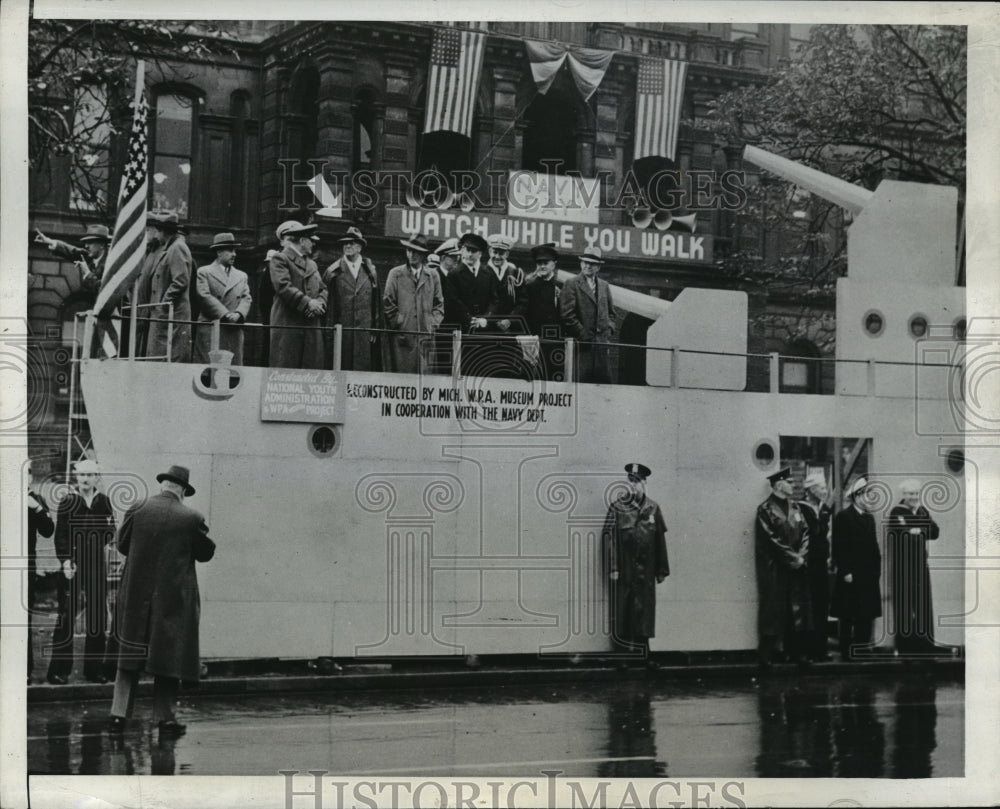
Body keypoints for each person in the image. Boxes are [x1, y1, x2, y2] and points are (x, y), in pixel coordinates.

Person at [108, 465, 215, 736]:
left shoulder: (138, 507)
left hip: (134, 596)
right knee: (167, 656)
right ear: (182, 490)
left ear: (164, 485)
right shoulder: (191, 518)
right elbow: (205, 554)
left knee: (128, 656)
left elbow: (122, 545)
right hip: (171, 599)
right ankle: (164, 719)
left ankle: (119, 716)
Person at [46, 459, 116, 685]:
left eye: (90, 475)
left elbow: (111, 529)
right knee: (66, 616)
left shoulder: (103, 502)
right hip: (72, 566)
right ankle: (58, 671)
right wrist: (66, 561)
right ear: (76, 477)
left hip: (96, 564)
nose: (85, 479)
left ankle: (94, 670)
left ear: (97, 477)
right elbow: (61, 535)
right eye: (82, 475)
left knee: (97, 616)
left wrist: (97, 541)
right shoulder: (68, 501)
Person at [604, 463, 669, 666]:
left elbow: (660, 540)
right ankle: (622, 656)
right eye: (630, 481)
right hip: (625, 570)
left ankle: (645, 655)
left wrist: (661, 569)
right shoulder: (618, 508)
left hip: (646, 571)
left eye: (637, 482)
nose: (633, 486)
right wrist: (613, 566)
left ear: (644, 483)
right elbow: (609, 538)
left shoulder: (653, 508)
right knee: (624, 611)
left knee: (645, 612)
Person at [754, 467, 812, 670]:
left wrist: (802, 556)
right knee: (773, 609)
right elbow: (771, 540)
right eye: (788, 481)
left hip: (795, 567)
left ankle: (797, 653)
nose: (792, 484)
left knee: (796, 610)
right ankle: (766, 654)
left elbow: (805, 532)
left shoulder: (795, 507)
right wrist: (793, 557)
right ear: (779, 485)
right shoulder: (765, 509)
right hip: (775, 568)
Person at [887, 479, 946, 655]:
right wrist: (920, 530)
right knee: (905, 607)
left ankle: (926, 646)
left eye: (916, 494)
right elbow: (903, 534)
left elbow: (935, 531)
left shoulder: (922, 510)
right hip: (903, 568)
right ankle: (905, 647)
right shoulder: (897, 512)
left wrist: (918, 530)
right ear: (904, 495)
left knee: (923, 606)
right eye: (910, 494)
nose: (913, 497)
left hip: (920, 566)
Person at [831, 476, 882, 661]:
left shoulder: (869, 518)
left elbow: (874, 547)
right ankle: (846, 650)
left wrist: (877, 571)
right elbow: (839, 546)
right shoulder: (844, 517)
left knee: (866, 613)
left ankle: (861, 648)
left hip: (868, 574)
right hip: (851, 574)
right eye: (866, 494)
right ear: (857, 496)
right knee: (848, 614)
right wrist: (845, 571)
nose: (869, 498)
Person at [268, 221, 327, 369]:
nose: (313, 244)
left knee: (311, 373)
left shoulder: (312, 264)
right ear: (302, 241)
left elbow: (323, 289)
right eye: (310, 240)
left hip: (311, 326)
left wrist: (320, 303)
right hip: (289, 326)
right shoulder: (280, 258)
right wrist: (308, 303)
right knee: (286, 373)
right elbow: (283, 287)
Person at [323, 226, 382, 371]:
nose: (348, 245)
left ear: (360, 247)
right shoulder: (333, 272)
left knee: (363, 374)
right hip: (342, 335)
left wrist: (375, 329)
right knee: (341, 370)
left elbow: (376, 303)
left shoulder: (370, 272)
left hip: (365, 335)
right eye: (345, 243)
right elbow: (327, 308)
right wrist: (330, 334)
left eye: (353, 242)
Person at [383, 233, 444, 374]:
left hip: (425, 336)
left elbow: (439, 304)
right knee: (402, 378)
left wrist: (432, 323)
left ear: (423, 254)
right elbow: (388, 302)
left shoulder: (432, 275)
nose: (412, 255)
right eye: (409, 250)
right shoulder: (395, 274)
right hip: (403, 337)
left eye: (416, 251)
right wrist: (399, 321)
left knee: (425, 380)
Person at [193, 232, 252, 365]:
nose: (234, 254)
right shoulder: (204, 272)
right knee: (209, 372)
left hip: (233, 329)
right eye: (230, 250)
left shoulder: (241, 276)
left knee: (232, 372)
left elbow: (246, 297)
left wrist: (239, 313)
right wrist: (225, 314)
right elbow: (204, 296)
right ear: (219, 252)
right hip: (212, 327)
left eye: (235, 250)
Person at [142, 212, 193, 362]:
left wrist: (164, 303)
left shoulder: (177, 248)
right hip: (165, 313)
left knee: (170, 354)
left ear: (165, 232)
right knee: (160, 355)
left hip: (172, 314)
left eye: (158, 231)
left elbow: (181, 280)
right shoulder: (170, 248)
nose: (156, 236)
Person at [559, 246, 615, 384]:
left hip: (601, 350)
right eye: (585, 262)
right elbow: (567, 315)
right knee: (580, 389)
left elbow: (612, 314)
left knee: (604, 390)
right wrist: (583, 335)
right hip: (582, 349)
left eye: (592, 264)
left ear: (598, 267)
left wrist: (608, 331)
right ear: (581, 263)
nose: (588, 266)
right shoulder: (571, 284)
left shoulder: (604, 286)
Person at [444, 232, 497, 377]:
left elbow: (494, 300)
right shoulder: (454, 274)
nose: (469, 254)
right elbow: (452, 300)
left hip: (483, 330)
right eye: (467, 250)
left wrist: (486, 318)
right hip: (462, 329)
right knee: (461, 369)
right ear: (461, 250)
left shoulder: (489, 273)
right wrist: (469, 319)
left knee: (481, 369)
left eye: (474, 251)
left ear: (480, 254)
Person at [513, 242, 563, 381]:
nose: (542, 266)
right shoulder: (529, 286)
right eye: (539, 263)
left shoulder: (562, 286)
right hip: (534, 342)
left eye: (545, 262)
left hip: (556, 343)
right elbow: (523, 312)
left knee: (554, 379)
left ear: (554, 264)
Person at [799, 469, 833, 661]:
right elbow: (813, 531)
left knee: (821, 604)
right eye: (820, 487)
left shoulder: (822, 508)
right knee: (809, 604)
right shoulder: (802, 508)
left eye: (824, 487)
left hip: (821, 562)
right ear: (810, 489)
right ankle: (808, 649)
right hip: (809, 562)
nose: (824, 490)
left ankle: (821, 648)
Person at [26, 460, 54, 682]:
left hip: (26, 568)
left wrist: (35, 508)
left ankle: (24, 670)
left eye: (27, 473)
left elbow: (48, 530)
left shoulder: (35, 500)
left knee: (24, 619)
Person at [34, 224, 110, 297]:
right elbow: (72, 251)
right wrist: (49, 241)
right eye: (86, 243)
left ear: (102, 245)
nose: (86, 246)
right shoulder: (90, 257)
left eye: (90, 242)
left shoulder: (110, 264)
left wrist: (87, 273)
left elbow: (104, 291)